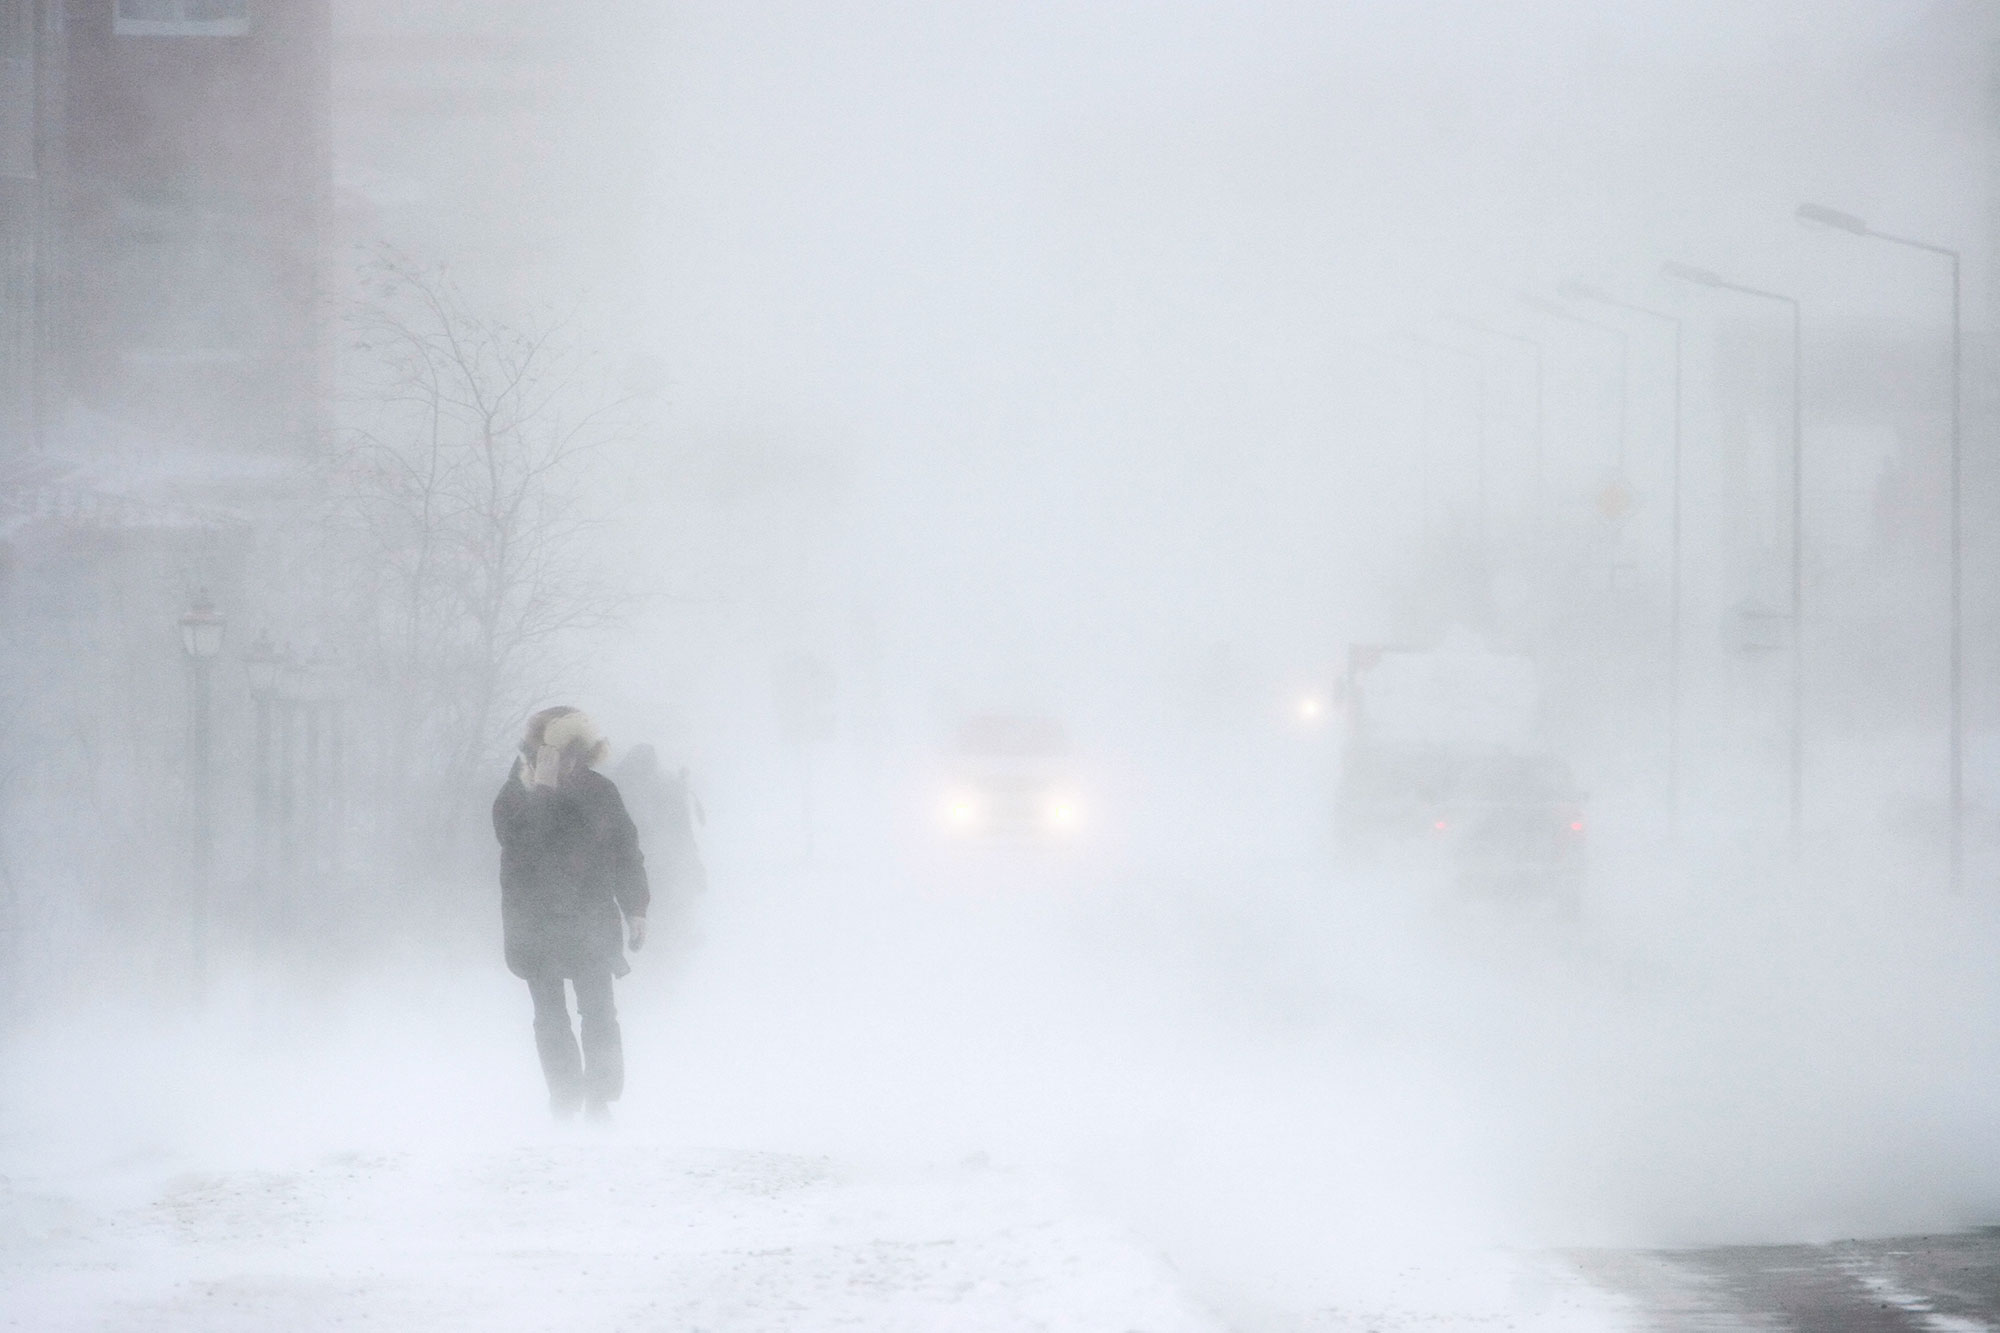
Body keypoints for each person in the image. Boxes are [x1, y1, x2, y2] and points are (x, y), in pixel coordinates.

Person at [492, 707, 649, 1121]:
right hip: (534, 922)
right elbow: (522, 845)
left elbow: (625, 852)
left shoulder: (600, 792)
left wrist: (636, 907)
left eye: (576, 756)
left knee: (599, 1013)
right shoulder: (515, 797)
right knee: (550, 1016)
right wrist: (542, 791)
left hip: (591, 919)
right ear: (539, 753)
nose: (570, 765)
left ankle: (599, 1100)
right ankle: (565, 1097)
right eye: (560, 755)